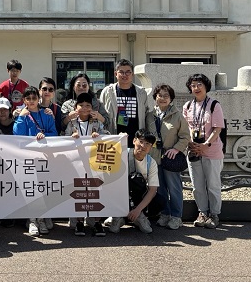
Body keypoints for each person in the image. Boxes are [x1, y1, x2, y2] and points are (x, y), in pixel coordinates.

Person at [12, 86, 57, 237]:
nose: (31, 101)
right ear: (24, 100)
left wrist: (44, 136)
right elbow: (17, 135)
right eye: (28, 98)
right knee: (30, 189)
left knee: (43, 189)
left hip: (44, 157)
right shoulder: (22, 114)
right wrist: (20, 118)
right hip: (27, 157)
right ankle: (32, 220)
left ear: (38, 99)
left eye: (34, 98)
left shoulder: (46, 114)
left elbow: (54, 133)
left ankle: (42, 218)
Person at [183, 73, 225, 229]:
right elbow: (186, 128)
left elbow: (217, 128)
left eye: (199, 84)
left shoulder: (214, 105)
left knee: (213, 185)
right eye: (193, 85)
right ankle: (202, 213)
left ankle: (214, 214)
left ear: (206, 86)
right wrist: (191, 143)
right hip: (194, 150)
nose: (196, 88)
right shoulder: (188, 106)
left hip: (211, 150)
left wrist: (206, 144)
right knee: (197, 185)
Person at [146, 83, 190, 230]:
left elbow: (185, 137)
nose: (163, 98)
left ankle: (177, 216)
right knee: (160, 188)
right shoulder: (149, 115)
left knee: (174, 187)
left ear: (171, 98)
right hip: (154, 157)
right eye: (160, 95)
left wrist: (176, 149)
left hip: (170, 157)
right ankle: (165, 214)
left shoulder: (177, 116)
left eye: (167, 96)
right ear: (155, 97)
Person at [65, 92, 107, 236]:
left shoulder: (96, 122)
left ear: (92, 108)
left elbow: (107, 136)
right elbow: (64, 139)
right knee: (79, 191)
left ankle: (97, 222)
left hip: (94, 162)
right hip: (77, 162)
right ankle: (79, 222)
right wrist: (71, 138)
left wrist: (99, 136)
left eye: (87, 105)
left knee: (96, 191)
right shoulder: (72, 123)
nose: (84, 108)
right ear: (75, 107)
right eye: (81, 105)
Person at [104, 131, 163, 234]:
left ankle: (138, 215)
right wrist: (118, 141)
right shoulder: (122, 153)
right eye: (141, 141)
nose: (143, 146)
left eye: (147, 143)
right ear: (134, 141)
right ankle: (118, 216)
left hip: (137, 196)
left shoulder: (151, 162)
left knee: (160, 201)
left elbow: (153, 190)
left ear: (151, 147)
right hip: (119, 194)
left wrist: (138, 209)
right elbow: (104, 153)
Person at [100, 59, 148, 139]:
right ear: (116, 74)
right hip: (114, 137)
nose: (124, 75)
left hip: (137, 139)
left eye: (128, 72)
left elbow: (146, 115)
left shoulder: (141, 92)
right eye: (121, 72)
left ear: (132, 74)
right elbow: (102, 114)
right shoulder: (107, 92)